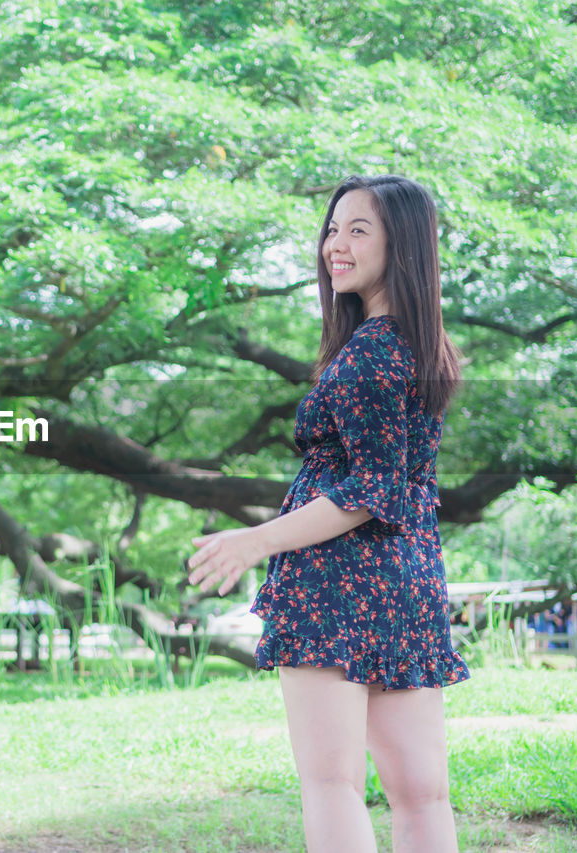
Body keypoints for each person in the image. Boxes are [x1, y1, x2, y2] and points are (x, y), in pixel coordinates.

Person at [188, 175, 471, 853]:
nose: (334, 245)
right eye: (332, 229)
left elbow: (367, 488)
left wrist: (254, 540)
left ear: (400, 244)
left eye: (358, 230)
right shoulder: (418, 345)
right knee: (422, 793)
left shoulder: (372, 353)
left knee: (331, 783)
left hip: (337, 584)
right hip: (406, 579)